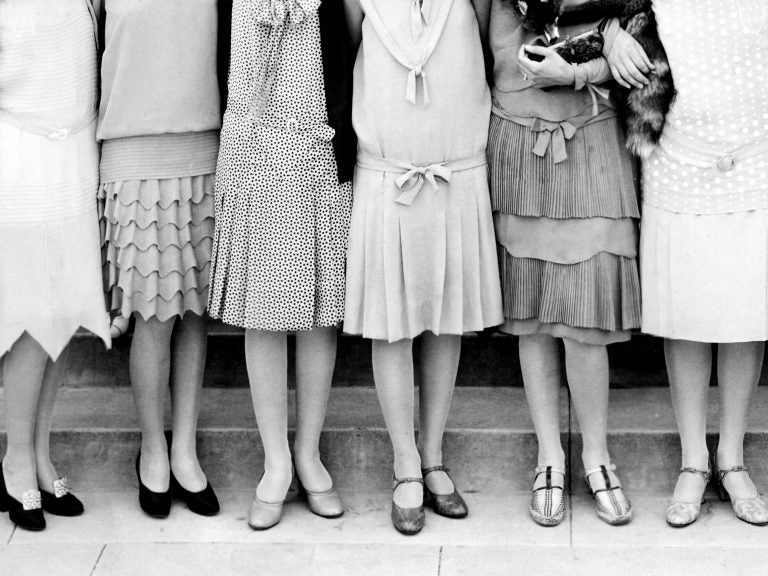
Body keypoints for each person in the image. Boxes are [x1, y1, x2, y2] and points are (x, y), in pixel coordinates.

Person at [475, 0, 652, 526]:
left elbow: (641, 49)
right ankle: (549, 456)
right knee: (532, 312)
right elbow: (490, 52)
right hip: (518, 135)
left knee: (587, 316)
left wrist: (583, 64)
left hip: (594, 134)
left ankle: (596, 454)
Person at [343, 0, 504, 535]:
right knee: (392, 325)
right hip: (388, 176)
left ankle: (433, 455)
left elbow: (481, 42)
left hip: (454, 172)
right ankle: (404, 462)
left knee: (446, 317)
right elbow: (350, 48)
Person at [208, 0, 353, 530]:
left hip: (317, 145)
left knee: (318, 310)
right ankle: (275, 462)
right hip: (251, 149)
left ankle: (309, 454)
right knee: (261, 312)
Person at [633, 0, 768, 527]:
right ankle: (694, 458)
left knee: (744, 309)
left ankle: (731, 457)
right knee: (685, 309)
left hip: (756, 154)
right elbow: (612, 16)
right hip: (678, 155)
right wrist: (614, 35)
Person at [98, 0, 222, 518]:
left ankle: (185, 448)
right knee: (152, 314)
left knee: (193, 311)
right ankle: (152, 446)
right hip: (132, 151)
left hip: (203, 146)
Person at [0, 0, 110, 531]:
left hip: (74, 161)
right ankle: (15, 457)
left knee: (63, 313)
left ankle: (41, 456)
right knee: (28, 316)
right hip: (20, 161)